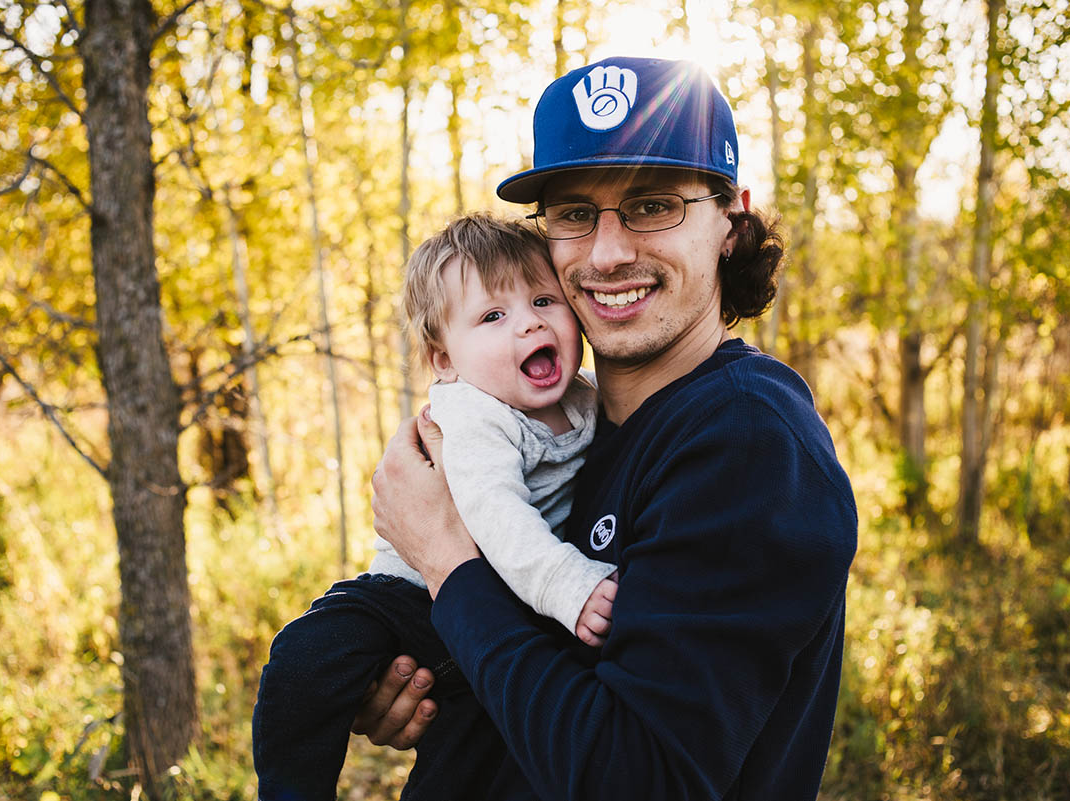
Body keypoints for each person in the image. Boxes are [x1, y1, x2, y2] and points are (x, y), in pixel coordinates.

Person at [366, 55, 858, 800]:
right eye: (572, 213)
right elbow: (532, 669)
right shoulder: (562, 428)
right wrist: (417, 671)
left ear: (731, 218)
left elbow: (638, 778)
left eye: (654, 204)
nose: (608, 252)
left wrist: (444, 562)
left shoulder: (745, 442)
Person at [252, 213, 619, 801]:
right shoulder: (472, 413)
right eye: (493, 317)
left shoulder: (588, 401)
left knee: (469, 761)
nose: (528, 323)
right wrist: (566, 584)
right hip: (409, 593)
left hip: (491, 613)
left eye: (544, 300)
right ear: (444, 359)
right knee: (308, 657)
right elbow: (491, 511)